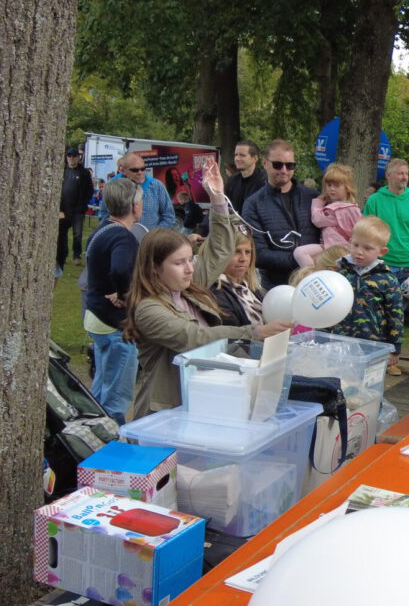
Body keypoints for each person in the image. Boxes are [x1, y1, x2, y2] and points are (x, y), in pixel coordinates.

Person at [123, 159, 290, 419]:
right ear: (155, 268)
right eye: (179, 263)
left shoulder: (189, 289)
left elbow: (219, 250)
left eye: (190, 260)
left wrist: (218, 200)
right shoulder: (149, 309)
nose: (190, 268)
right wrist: (254, 332)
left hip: (202, 403)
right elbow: (194, 338)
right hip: (165, 413)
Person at [82, 178, 143, 424]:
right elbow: (119, 269)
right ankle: (110, 447)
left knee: (100, 389)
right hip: (114, 325)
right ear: (134, 206)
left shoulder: (101, 229)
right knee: (115, 398)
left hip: (96, 317)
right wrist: (125, 294)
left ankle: (90, 434)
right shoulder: (123, 237)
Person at [240, 139, 320, 288]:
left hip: (315, 283)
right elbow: (257, 253)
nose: (284, 170)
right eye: (278, 165)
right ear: (265, 163)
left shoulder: (313, 197)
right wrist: (299, 258)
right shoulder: (253, 203)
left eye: (290, 165)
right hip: (276, 287)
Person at [329, 216, 404, 370]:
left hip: (372, 344)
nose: (359, 252)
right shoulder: (340, 274)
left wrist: (395, 347)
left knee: (367, 386)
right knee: (338, 380)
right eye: (355, 245)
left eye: (367, 248)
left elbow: (395, 314)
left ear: (382, 251)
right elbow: (328, 307)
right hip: (339, 341)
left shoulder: (387, 279)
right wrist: (322, 334)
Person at [362, 158, 409, 284]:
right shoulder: (374, 201)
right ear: (389, 175)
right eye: (400, 173)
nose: (404, 177)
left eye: (406, 173)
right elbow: (365, 234)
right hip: (382, 264)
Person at [292, 162, 362, 266]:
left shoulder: (337, 209)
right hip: (337, 248)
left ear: (347, 188)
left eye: (337, 186)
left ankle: (311, 275)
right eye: (329, 185)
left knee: (300, 252)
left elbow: (317, 220)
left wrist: (318, 202)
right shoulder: (353, 208)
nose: (332, 189)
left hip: (335, 250)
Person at [99, 152, 176, 232]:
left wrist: (154, 236)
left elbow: (169, 216)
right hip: (120, 237)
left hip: (150, 241)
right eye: (135, 170)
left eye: (143, 169)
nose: (140, 172)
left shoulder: (156, 186)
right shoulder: (112, 186)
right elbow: (104, 215)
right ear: (123, 170)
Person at [212, 232, 265, 328]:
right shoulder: (215, 292)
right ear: (219, 254)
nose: (243, 258)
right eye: (236, 251)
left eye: (248, 252)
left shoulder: (249, 285)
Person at [57, 145, 94, 277]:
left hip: (78, 209)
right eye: (69, 156)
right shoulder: (63, 171)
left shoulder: (83, 173)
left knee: (77, 234)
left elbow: (90, 191)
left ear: (79, 158)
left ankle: (76, 255)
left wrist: (83, 204)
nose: (72, 159)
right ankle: (63, 254)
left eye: (74, 156)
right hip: (64, 209)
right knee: (62, 233)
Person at [225, 140, 266, 212]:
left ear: (255, 158)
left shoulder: (264, 181)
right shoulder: (232, 180)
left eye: (242, 155)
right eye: (236, 155)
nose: (237, 159)